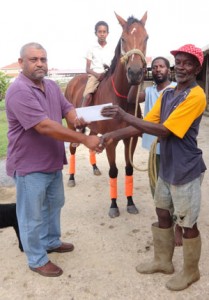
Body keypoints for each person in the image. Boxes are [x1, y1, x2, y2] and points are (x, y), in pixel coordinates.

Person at [101, 44, 207, 291]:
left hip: (185, 168)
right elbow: (144, 125)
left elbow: (165, 130)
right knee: (162, 213)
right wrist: (113, 135)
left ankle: (191, 271)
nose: (181, 67)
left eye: (188, 63)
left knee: (187, 222)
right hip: (167, 165)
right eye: (178, 62)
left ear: (197, 68)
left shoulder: (196, 95)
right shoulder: (168, 95)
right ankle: (163, 261)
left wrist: (124, 116)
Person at [5, 42, 102, 277]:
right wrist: (84, 139)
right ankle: (36, 259)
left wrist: (77, 117)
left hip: (51, 162)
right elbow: (44, 126)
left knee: (54, 204)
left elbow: (67, 108)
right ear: (21, 63)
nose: (40, 63)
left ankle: (50, 241)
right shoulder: (19, 91)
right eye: (34, 59)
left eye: (43, 59)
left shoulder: (50, 86)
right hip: (29, 166)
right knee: (31, 214)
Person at [137, 57, 182, 246]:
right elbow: (131, 99)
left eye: (161, 66)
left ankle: (179, 225)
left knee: (177, 189)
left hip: (173, 149)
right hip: (154, 149)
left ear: (168, 70)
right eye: (154, 67)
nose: (157, 70)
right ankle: (167, 224)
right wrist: (135, 78)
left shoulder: (176, 90)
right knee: (157, 188)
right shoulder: (148, 91)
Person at [82, 20, 114, 107]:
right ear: (96, 33)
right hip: (95, 76)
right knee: (88, 96)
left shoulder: (112, 48)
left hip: (109, 75)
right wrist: (97, 75)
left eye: (104, 32)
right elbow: (87, 69)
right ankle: (82, 115)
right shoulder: (91, 48)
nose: (102, 34)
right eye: (100, 32)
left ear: (107, 33)